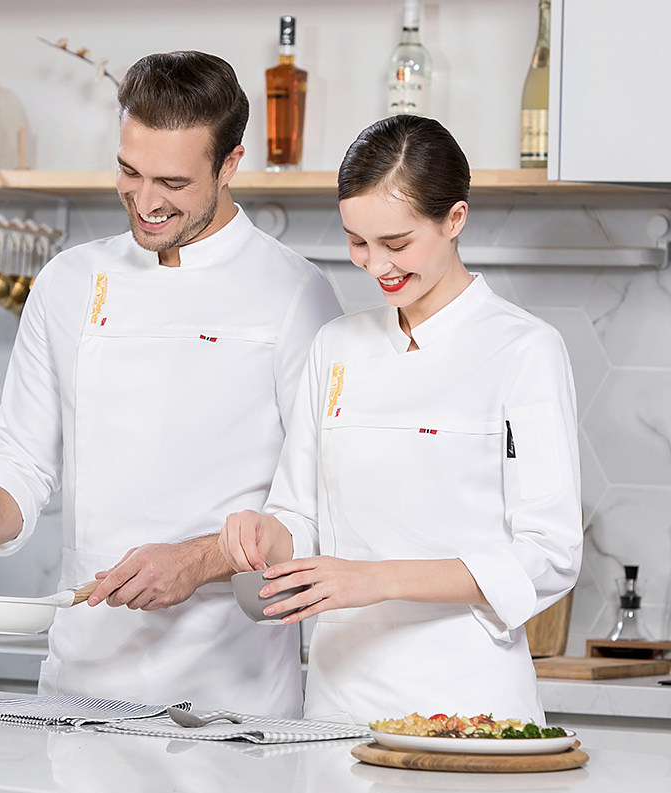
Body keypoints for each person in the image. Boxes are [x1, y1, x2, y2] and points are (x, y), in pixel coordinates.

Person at [0, 51, 342, 717]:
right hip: (82, 690)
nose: (145, 203)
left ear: (230, 164)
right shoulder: (68, 281)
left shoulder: (294, 294)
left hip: (231, 703)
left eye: (172, 181)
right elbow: (22, 458)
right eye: (129, 171)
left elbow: (319, 506)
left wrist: (200, 560)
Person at [218, 114, 583, 725]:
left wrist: (379, 579)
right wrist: (264, 534)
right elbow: (300, 517)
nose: (375, 265)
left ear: (454, 219)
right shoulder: (336, 347)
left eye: (396, 243)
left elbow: (550, 555)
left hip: (470, 710)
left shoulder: (524, 350)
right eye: (357, 241)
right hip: (338, 711)